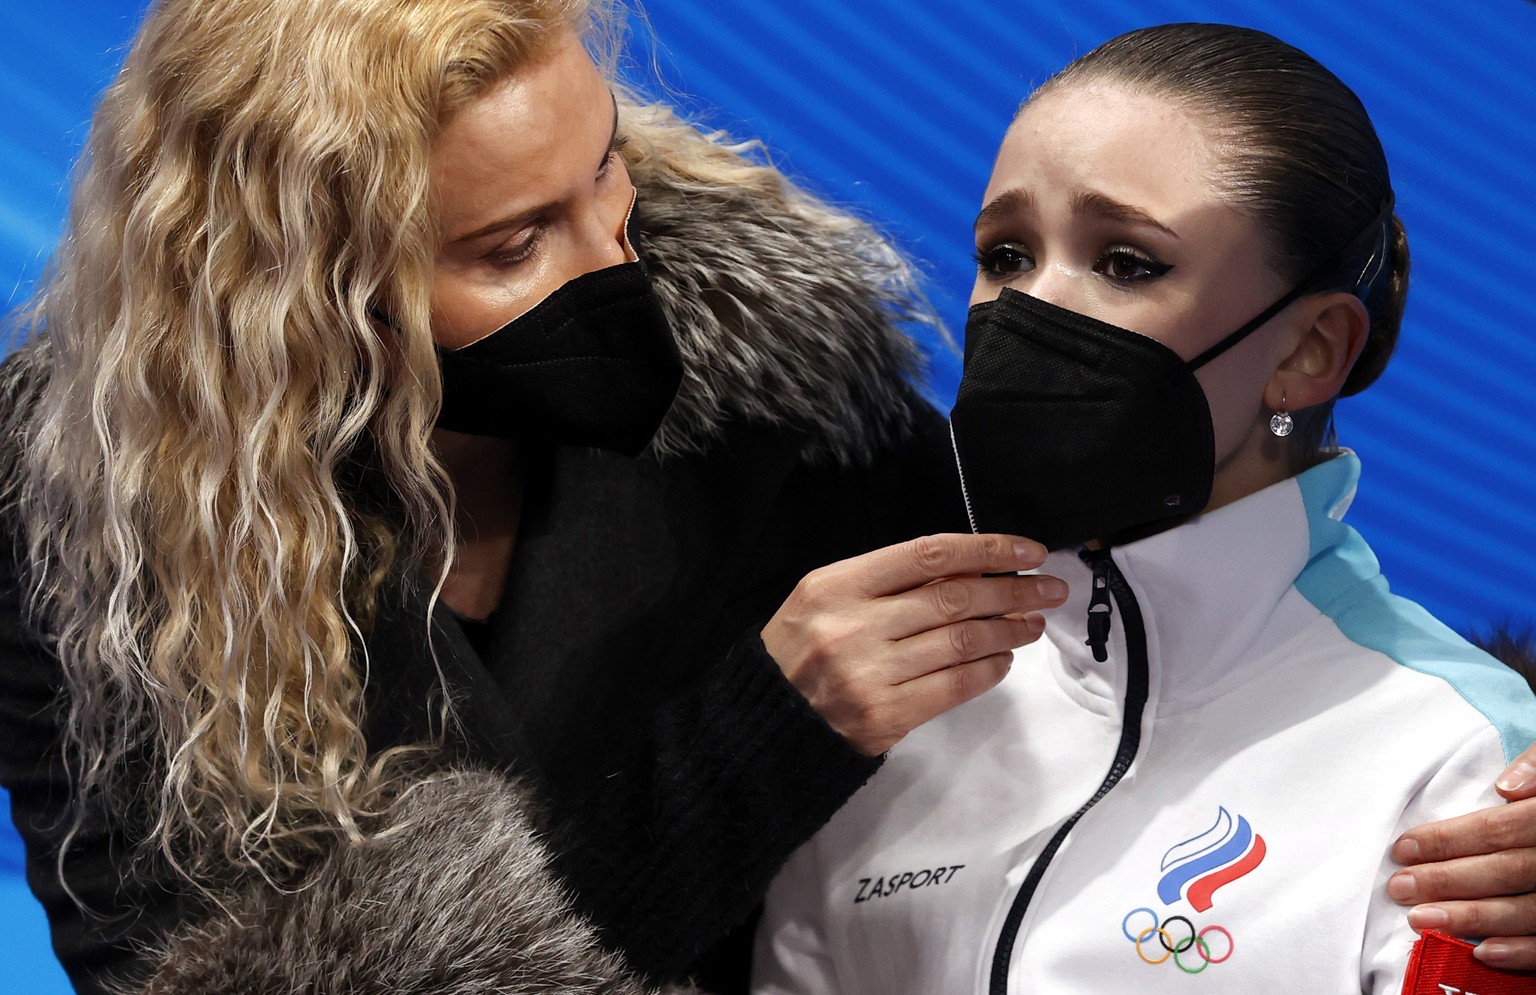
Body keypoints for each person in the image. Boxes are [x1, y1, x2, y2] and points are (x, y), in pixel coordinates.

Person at [0, 0, 1066, 992]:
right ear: (309, 298)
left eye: (607, 165)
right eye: (513, 244)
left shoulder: (795, 392)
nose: (615, 254)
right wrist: (760, 739)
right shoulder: (82, 526)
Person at [752, 22, 1536, 994]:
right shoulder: (878, 698)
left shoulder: (1459, 761)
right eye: (1005, 254)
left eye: (1126, 262)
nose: (1029, 307)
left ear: (1308, 351)